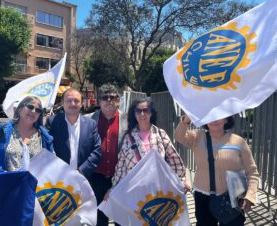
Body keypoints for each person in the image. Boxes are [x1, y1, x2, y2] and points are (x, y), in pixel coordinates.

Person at [175, 115, 259, 226]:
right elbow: (179, 136)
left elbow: (252, 172)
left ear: (226, 119)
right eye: (210, 116)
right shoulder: (197, 136)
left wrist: (250, 196)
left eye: (219, 116)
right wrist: (187, 118)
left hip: (232, 199)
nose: (214, 119)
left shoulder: (239, 142)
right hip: (203, 197)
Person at [111, 97, 186, 189]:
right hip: (135, 189)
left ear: (151, 113)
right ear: (134, 114)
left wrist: (180, 181)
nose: (142, 114)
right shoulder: (128, 138)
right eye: (138, 111)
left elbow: (174, 160)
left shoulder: (160, 134)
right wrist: (114, 188)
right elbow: (121, 167)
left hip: (159, 187)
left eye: (146, 110)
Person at [86, 84, 127, 226]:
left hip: (121, 177)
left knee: (121, 218)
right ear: (99, 102)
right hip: (97, 177)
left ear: (118, 100)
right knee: (99, 218)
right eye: (105, 97)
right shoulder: (88, 120)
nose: (109, 100)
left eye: (113, 97)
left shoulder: (128, 120)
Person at [46, 88, 101, 180]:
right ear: (62, 103)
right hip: (58, 178)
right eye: (69, 101)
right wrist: (60, 170)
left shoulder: (91, 124)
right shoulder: (52, 122)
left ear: (82, 104)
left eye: (76, 101)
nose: (73, 104)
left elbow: (97, 151)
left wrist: (81, 172)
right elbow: (47, 149)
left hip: (83, 179)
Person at [0, 96, 53, 171]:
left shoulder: (45, 138)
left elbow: (49, 166)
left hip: (34, 182)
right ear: (20, 109)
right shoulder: (0, 130)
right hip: (5, 181)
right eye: (30, 107)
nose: (33, 111)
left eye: (38, 110)